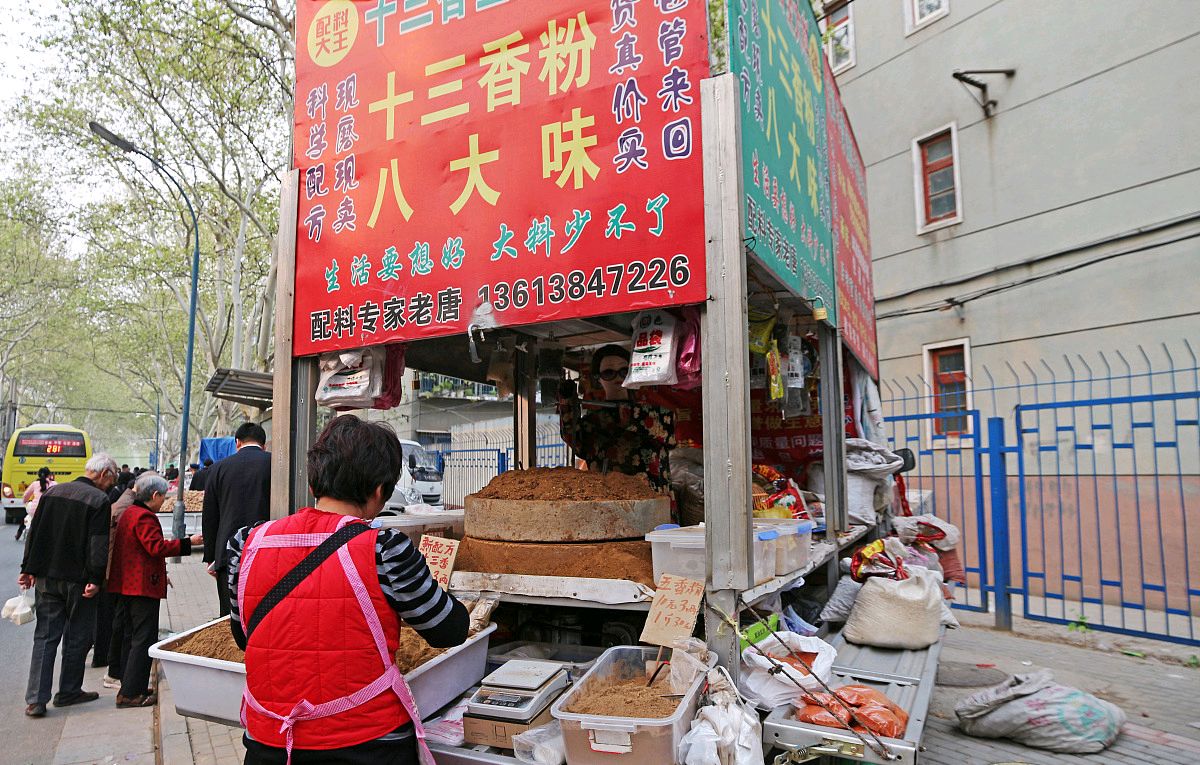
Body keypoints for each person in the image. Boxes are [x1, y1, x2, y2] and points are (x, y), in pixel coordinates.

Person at [227, 415, 468, 764]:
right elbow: (449, 629)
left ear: (314, 485)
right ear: (380, 491)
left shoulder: (246, 544)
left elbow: (243, 636)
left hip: (271, 745)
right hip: (368, 746)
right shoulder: (383, 549)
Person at [18, 453, 118, 718]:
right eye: (112, 478)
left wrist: (27, 569)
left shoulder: (53, 493)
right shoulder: (98, 500)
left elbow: (34, 533)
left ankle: (36, 700)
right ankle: (69, 691)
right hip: (78, 580)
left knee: (45, 636)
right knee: (77, 635)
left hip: (46, 578)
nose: (112, 484)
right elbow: (98, 544)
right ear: (104, 474)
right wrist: (96, 579)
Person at [107, 472, 202, 708]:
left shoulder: (130, 513)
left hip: (127, 585)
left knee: (132, 637)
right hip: (140, 586)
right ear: (155, 495)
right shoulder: (144, 517)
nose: (164, 502)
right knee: (142, 638)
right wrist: (190, 542)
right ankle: (130, 693)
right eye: (164, 497)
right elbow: (156, 547)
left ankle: (132, 687)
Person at [557, 344, 677, 491]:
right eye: (608, 373)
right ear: (598, 378)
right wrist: (566, 404)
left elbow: (670, 437)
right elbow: (573, 437)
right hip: (608, 503)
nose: (617, 378)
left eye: (623, 371)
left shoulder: (657, 416)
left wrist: (630, 415)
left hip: (652, 500)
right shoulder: (592, 424)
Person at [202, 422, 271, 615]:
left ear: (237, 442)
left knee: (228, 616)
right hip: (265, 549)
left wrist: (211, 557)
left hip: (227, 553)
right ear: (263, 445)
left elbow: (210, 516)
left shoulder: (218, 468)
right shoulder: (274, 465)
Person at [97, 479, 140, 689]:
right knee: (120, 623)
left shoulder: (124, 504)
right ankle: (115, 672)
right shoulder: (128, 509)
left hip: (115, 573)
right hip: (119, 574)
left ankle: (115, 670)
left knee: (117, 622)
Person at [18, 467, 55, 542]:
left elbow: (26, 495)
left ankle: (20, 532)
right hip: (49, 510)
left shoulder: (35, 484)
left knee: (29, 511)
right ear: (49, 475)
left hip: (34, 510)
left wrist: (25, 502)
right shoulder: (54, 484)